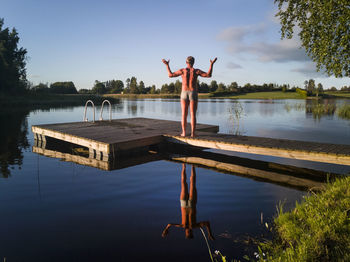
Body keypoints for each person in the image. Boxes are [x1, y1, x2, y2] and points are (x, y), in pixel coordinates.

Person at [162, 56, 217, 137]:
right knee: (193, 114)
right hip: (193, 92)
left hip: (184, 93)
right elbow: (209, 75)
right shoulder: (196, 71)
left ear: (186, 62)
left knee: (184, 114)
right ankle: (193, 133)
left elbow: (170, 75)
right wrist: (211, 64)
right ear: (193, 62)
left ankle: (184, 133)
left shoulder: (183, 71)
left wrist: (167, 65)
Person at [162, 164, 214, 240]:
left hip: (183, 204)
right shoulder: (195, 226)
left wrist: (165, 230)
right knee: (192, 184)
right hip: (192, 204)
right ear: (192, 232)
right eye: (190, 233)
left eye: (187, 233)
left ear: (185, 233)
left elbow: (169, 224)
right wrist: (209, 234)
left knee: (183, 183)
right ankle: (193, 166)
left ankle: (184, 166)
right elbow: (207, 223)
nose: (188, 232)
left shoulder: (182, 226)